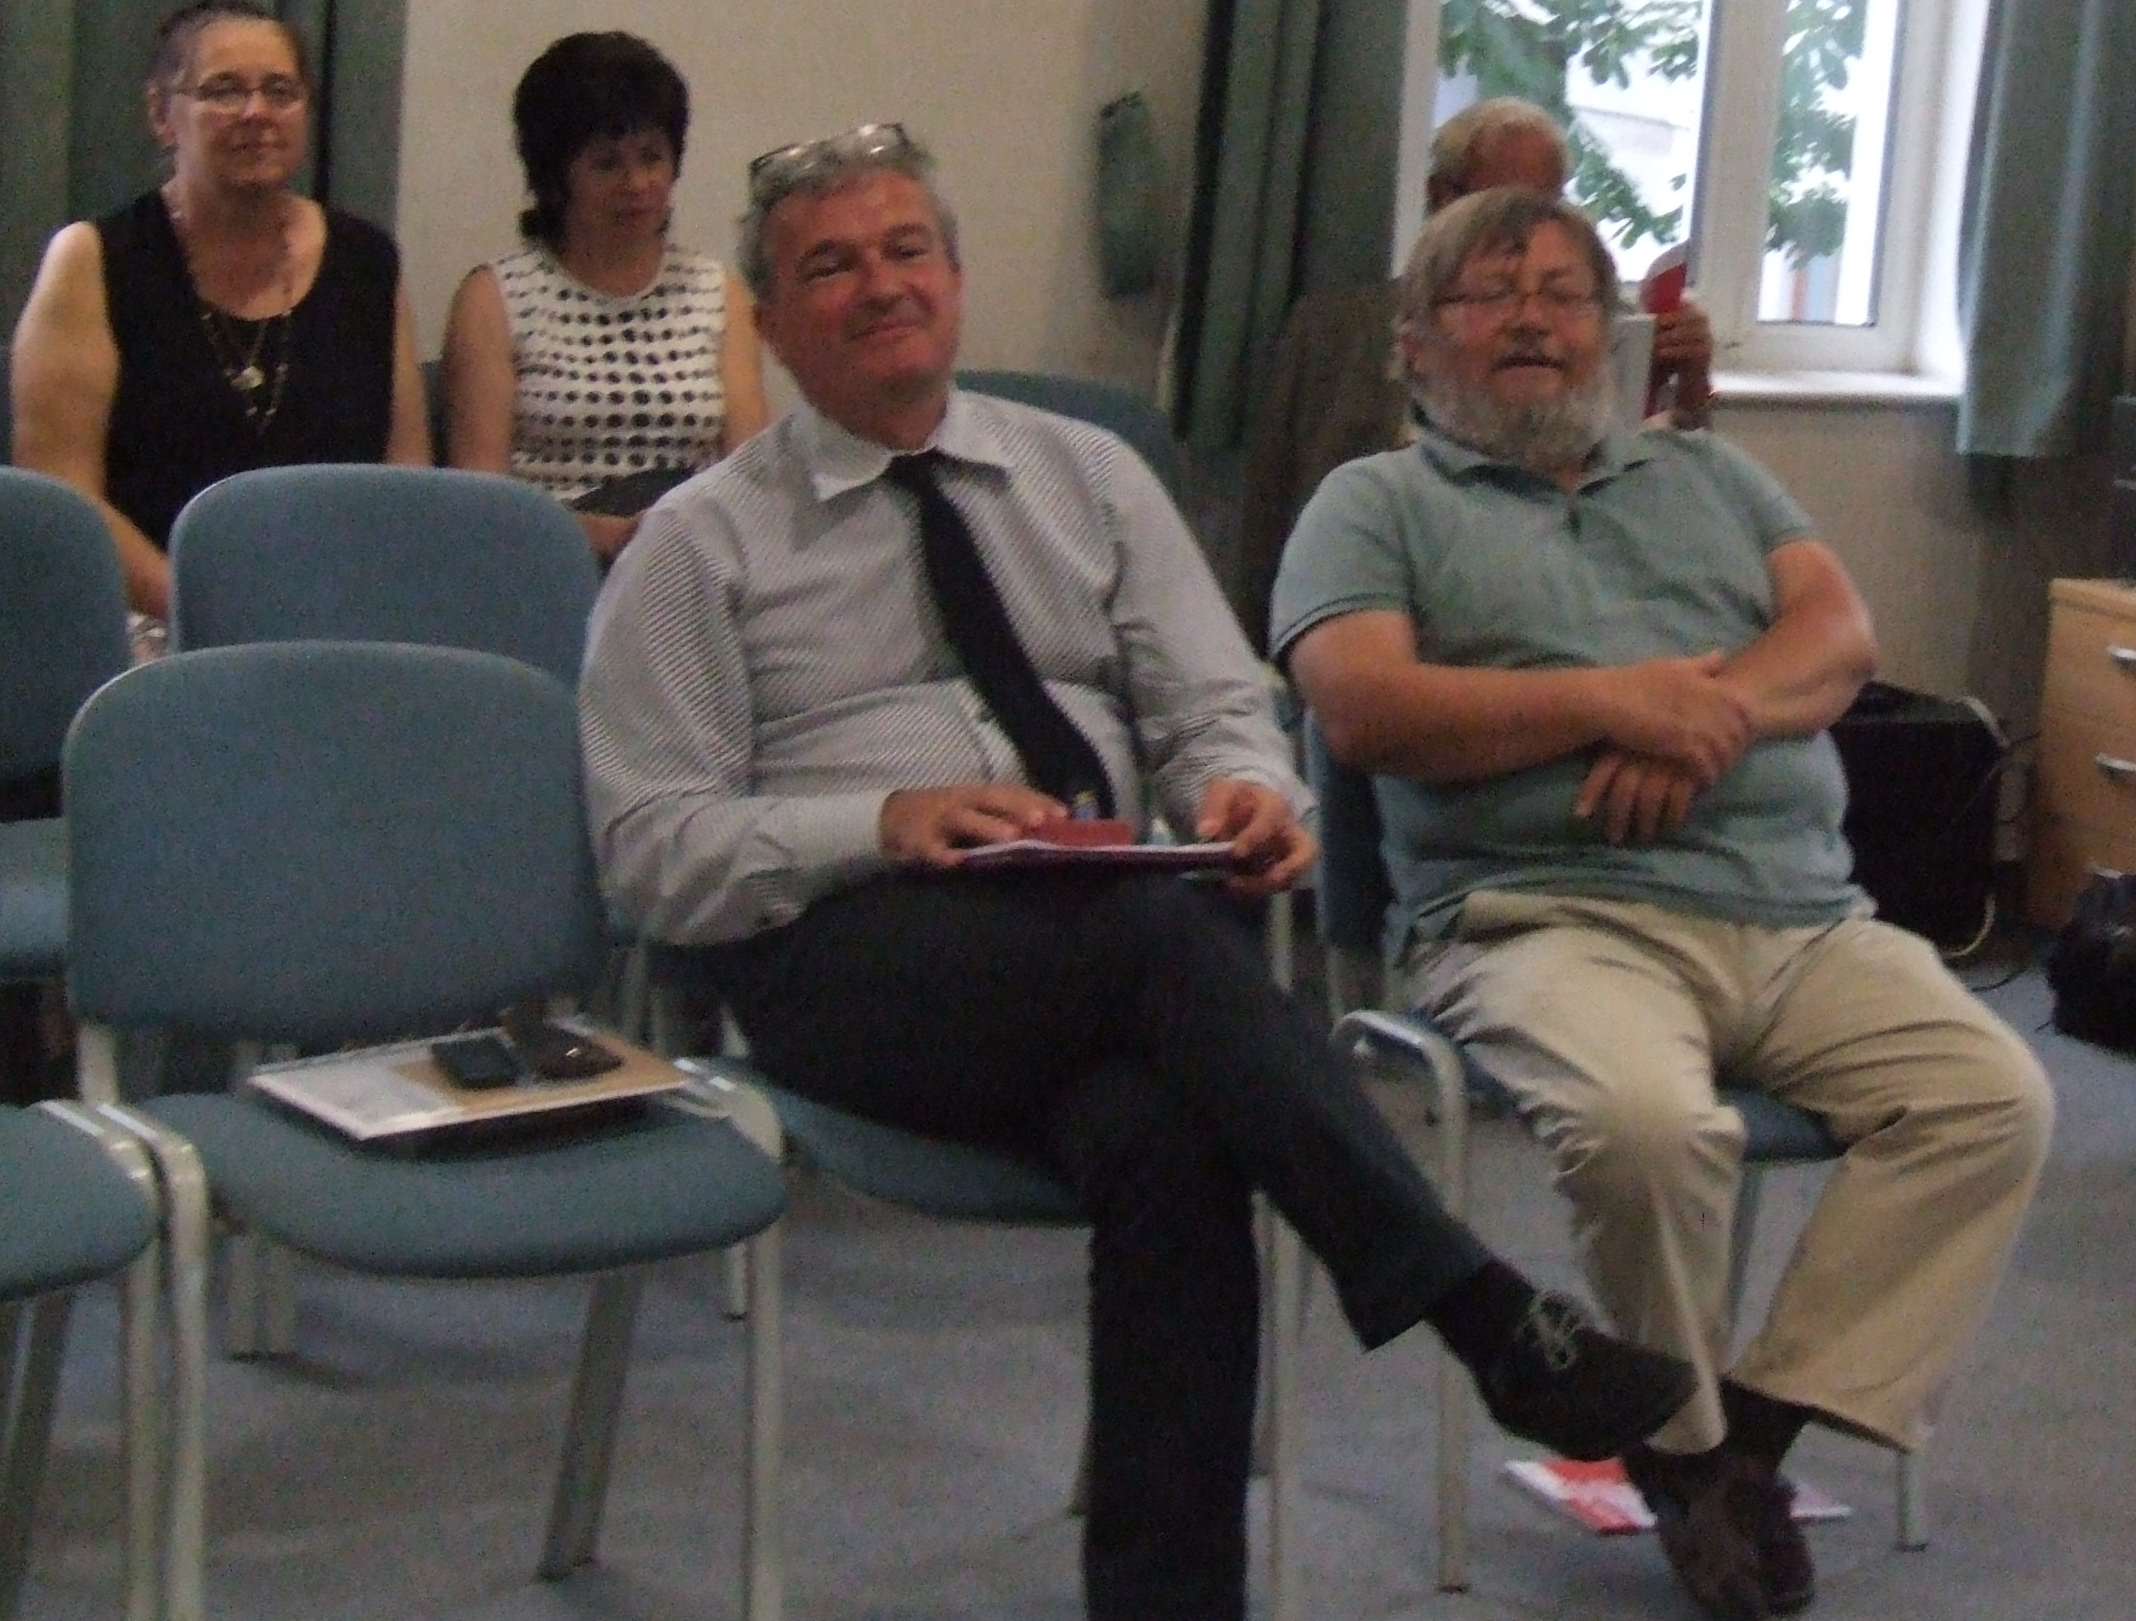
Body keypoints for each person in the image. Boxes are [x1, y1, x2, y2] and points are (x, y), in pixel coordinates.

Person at [579, 125, 1692, 1621]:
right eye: (830, 267)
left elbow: (1217, 706)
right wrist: (880, 821)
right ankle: (1479, 1308)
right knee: (1160, 940)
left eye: (908, 251)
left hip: (1101, 943)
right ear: (770, 324)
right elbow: (651, 849)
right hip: (850, 960)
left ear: (957, 279)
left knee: (1172, 1137)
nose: (881, 286)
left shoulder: (1087, 477)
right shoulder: (698, 546)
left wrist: (1248, 789)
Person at [1277, 186, 2053, 1621]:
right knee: (1646, 1130)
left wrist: (1696, 720)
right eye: (1490, 294)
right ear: (1417, 345)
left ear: (1607, 331)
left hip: (1797, 914)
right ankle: (1688, 1450)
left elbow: (1838, 640)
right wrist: (1609, 700)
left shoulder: (1713, 479)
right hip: (1542, 921)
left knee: (1991, 1099)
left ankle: (1739, 1447)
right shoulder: (1373, 505)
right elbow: (1365, 706)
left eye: (1564, 294)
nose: (1533, 320)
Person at [1231, 96, 1714, 643]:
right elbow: (1270, 515)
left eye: (1542, 205)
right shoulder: (1336, 333)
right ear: (1440, 197)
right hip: (1386, 605)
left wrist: (1690, 387)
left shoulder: (1593, 329)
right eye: (1499, 204)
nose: (1522, 234)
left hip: (1569, 608)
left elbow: (1659, 492)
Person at [11, 0, 429, 629]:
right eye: (225, 91)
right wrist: (211, 614)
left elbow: (407, 477)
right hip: (151, 617)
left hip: (337, 618)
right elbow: (62, 497)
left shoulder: (368, 261)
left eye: (280, 92)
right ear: (162, 114)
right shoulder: (91, 261)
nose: (257, 113)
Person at [438, 32, 767, 560]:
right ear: (556, 177)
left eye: (652, 157)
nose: (636, 183)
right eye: (607, 163)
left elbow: (751, 475)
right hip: (548, 559)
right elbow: (480, 502)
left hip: (694, 556)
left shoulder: (718, 292)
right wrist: (601, 534)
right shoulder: (494, 298)